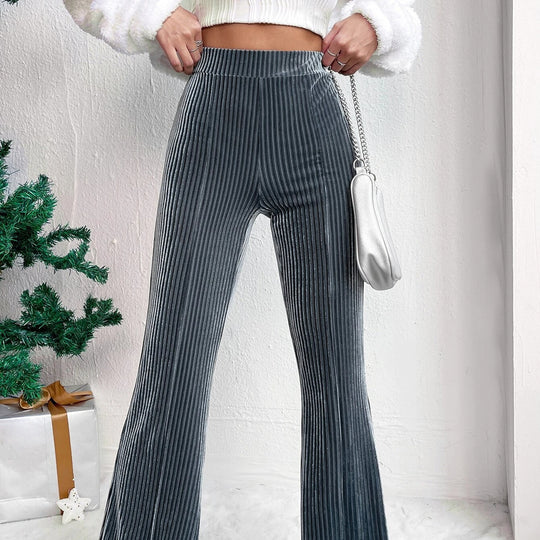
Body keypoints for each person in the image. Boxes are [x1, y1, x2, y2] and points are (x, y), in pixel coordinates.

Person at [62, 1, 422, 539]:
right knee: (173, 365)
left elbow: (403, 17)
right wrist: (150, 15)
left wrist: (378, 24)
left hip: (313, 114)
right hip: (212, 111)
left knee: (337, 373)